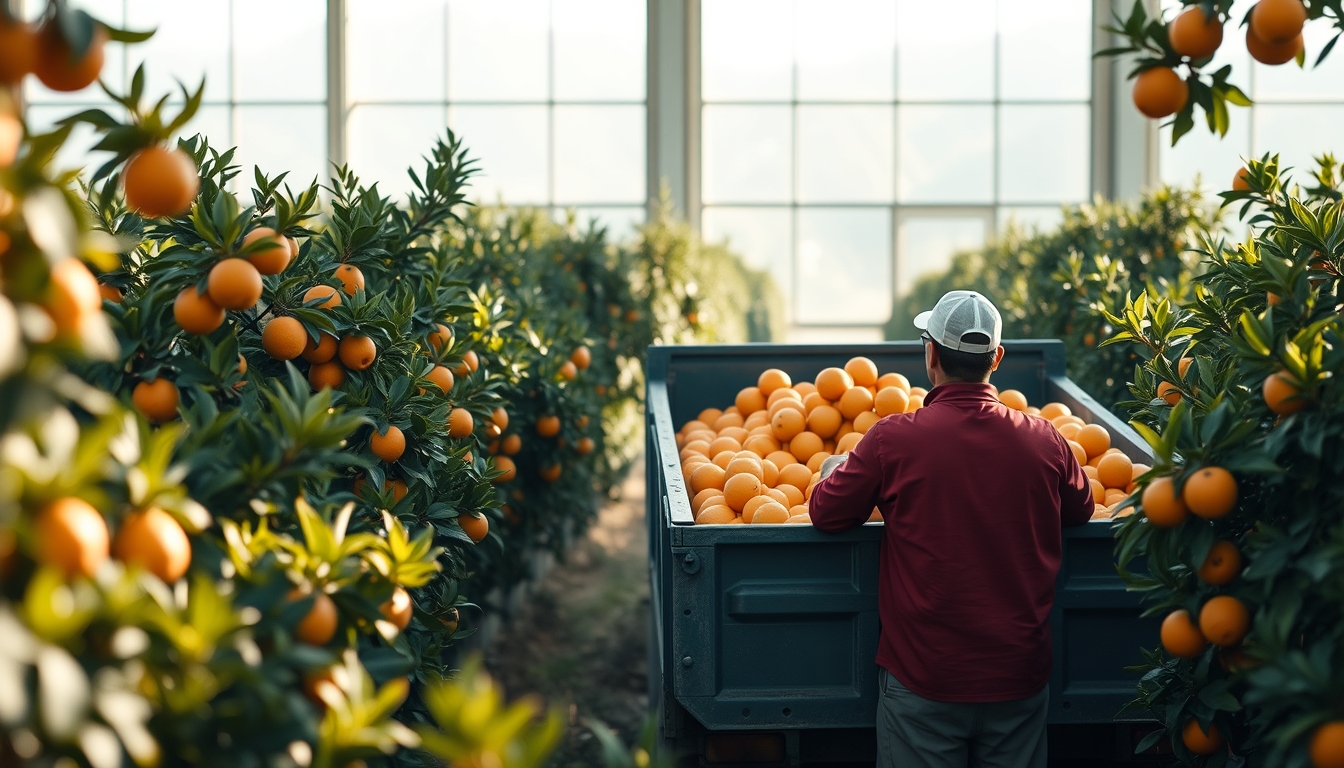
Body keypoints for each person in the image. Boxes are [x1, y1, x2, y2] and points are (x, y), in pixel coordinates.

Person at [809, 290, 1094, 768]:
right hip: (1018, 682)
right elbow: (1082, 509)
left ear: (931, 353)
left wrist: (834, 469)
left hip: (925, 682)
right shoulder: (1046, 442)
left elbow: (826, 512)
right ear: (997, 358)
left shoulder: (893, 439)